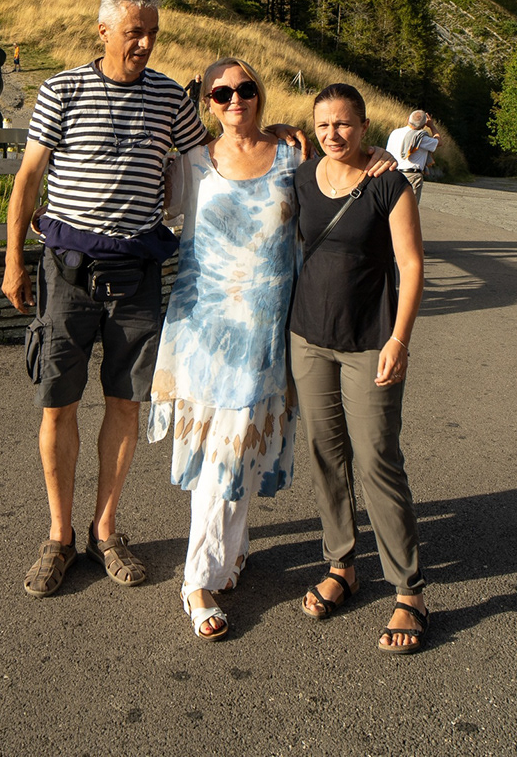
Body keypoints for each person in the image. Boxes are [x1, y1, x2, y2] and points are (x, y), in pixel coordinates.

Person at [4, 0, 215, 599]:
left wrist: (277, 140)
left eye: (152, 33)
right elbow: (28, 179)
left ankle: (106, 530)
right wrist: (13, 261)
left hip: (135, 277)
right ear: (103, 32)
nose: (145, 43)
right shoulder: (62, 90)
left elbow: (212, 161)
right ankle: (59, 536)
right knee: (58, 405)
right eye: (134, 32)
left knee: (126, 405)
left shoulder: (171, 99)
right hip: (67, 274)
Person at [148, 59, 300, 640]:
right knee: (221, 453)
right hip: (204, 330)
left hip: (265, 329)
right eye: (221, 92)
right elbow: (143, 204)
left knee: (240, 450)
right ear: (207, 102)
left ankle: (230, 553)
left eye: (245, 88)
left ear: (260, 94)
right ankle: (198, 580)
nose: (235, 99)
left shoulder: (292, 157)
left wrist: (384, 157)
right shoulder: (190, 162)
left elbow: (339, 185)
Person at [291, 83, 431, 654]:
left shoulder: (388, 184)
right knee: (325, 455)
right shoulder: (302, 177)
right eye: (323, 125)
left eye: (344, 124)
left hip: (371, 341)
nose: (333, 134)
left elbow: (411, 265)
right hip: (307, 339)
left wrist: (400, 338)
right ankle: (342, 564)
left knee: (377, 460)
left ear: (365, 127)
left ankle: (409, 590)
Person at [384, 111, 441, 200]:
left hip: (393, 173)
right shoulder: (421, 138)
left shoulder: (395, 133)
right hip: (411, 175)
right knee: (409, 207)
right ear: (424, 125)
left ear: (408, 119)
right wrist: (432, 126)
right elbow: (439, 142)